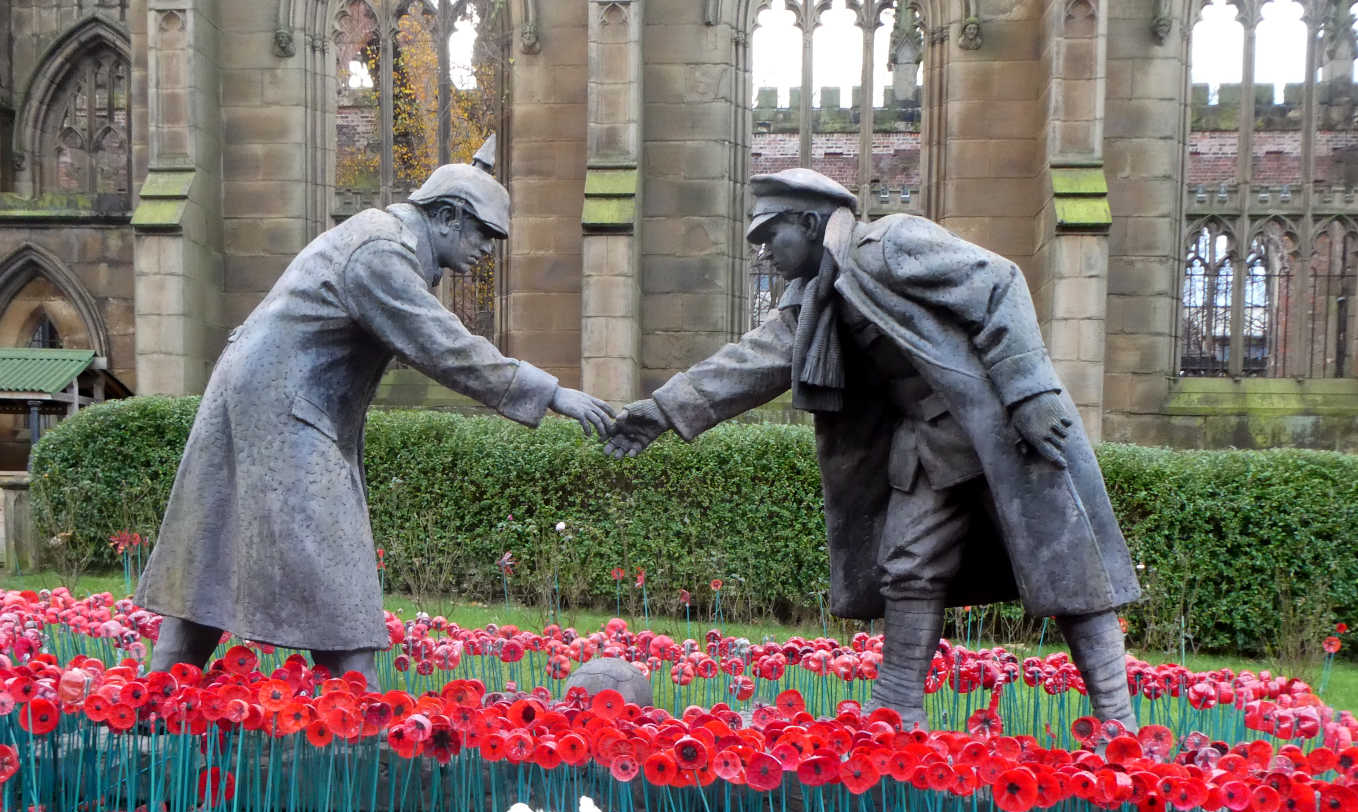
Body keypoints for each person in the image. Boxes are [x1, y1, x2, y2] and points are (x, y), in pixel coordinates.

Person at [605, 168, 1140, 731]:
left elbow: (1000, 281)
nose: (766, 254)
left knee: (1067, 570)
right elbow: (748, 363)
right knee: (907, 566)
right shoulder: (813, 298)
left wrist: (1030, 390)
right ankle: (897, 713)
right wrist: (662, 411)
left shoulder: (891, 244)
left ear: (810, 223)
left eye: (772, 236)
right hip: (929, 444)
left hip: (1003, 430)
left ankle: (1118, 724)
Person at [137, 163, 614, 685]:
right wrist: (551, 393)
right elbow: (442, 345)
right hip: (285, 409)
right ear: (448, 216)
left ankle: (158, 698)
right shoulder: (380, 252)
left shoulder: (380, 238)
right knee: (341, 570)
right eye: (483, 233)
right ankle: (356, 719)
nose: (488, 249)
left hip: (258, 400)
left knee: (212, 548)